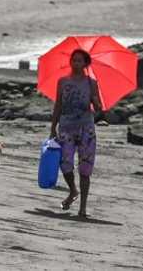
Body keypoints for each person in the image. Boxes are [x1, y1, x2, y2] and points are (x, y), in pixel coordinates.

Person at [49, 48, 104, 219]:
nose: (76, 63)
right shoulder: (62, 82)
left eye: (80, 61)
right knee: (65, 164)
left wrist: (96, 102)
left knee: (85, 168)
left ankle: (83, 208)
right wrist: (53, 127)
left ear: (86, 64)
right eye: (74, 60)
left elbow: (99, 108)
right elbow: (58, 104)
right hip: (66, 127)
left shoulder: (91, 82)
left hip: (86, 128)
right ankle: (73, 190)